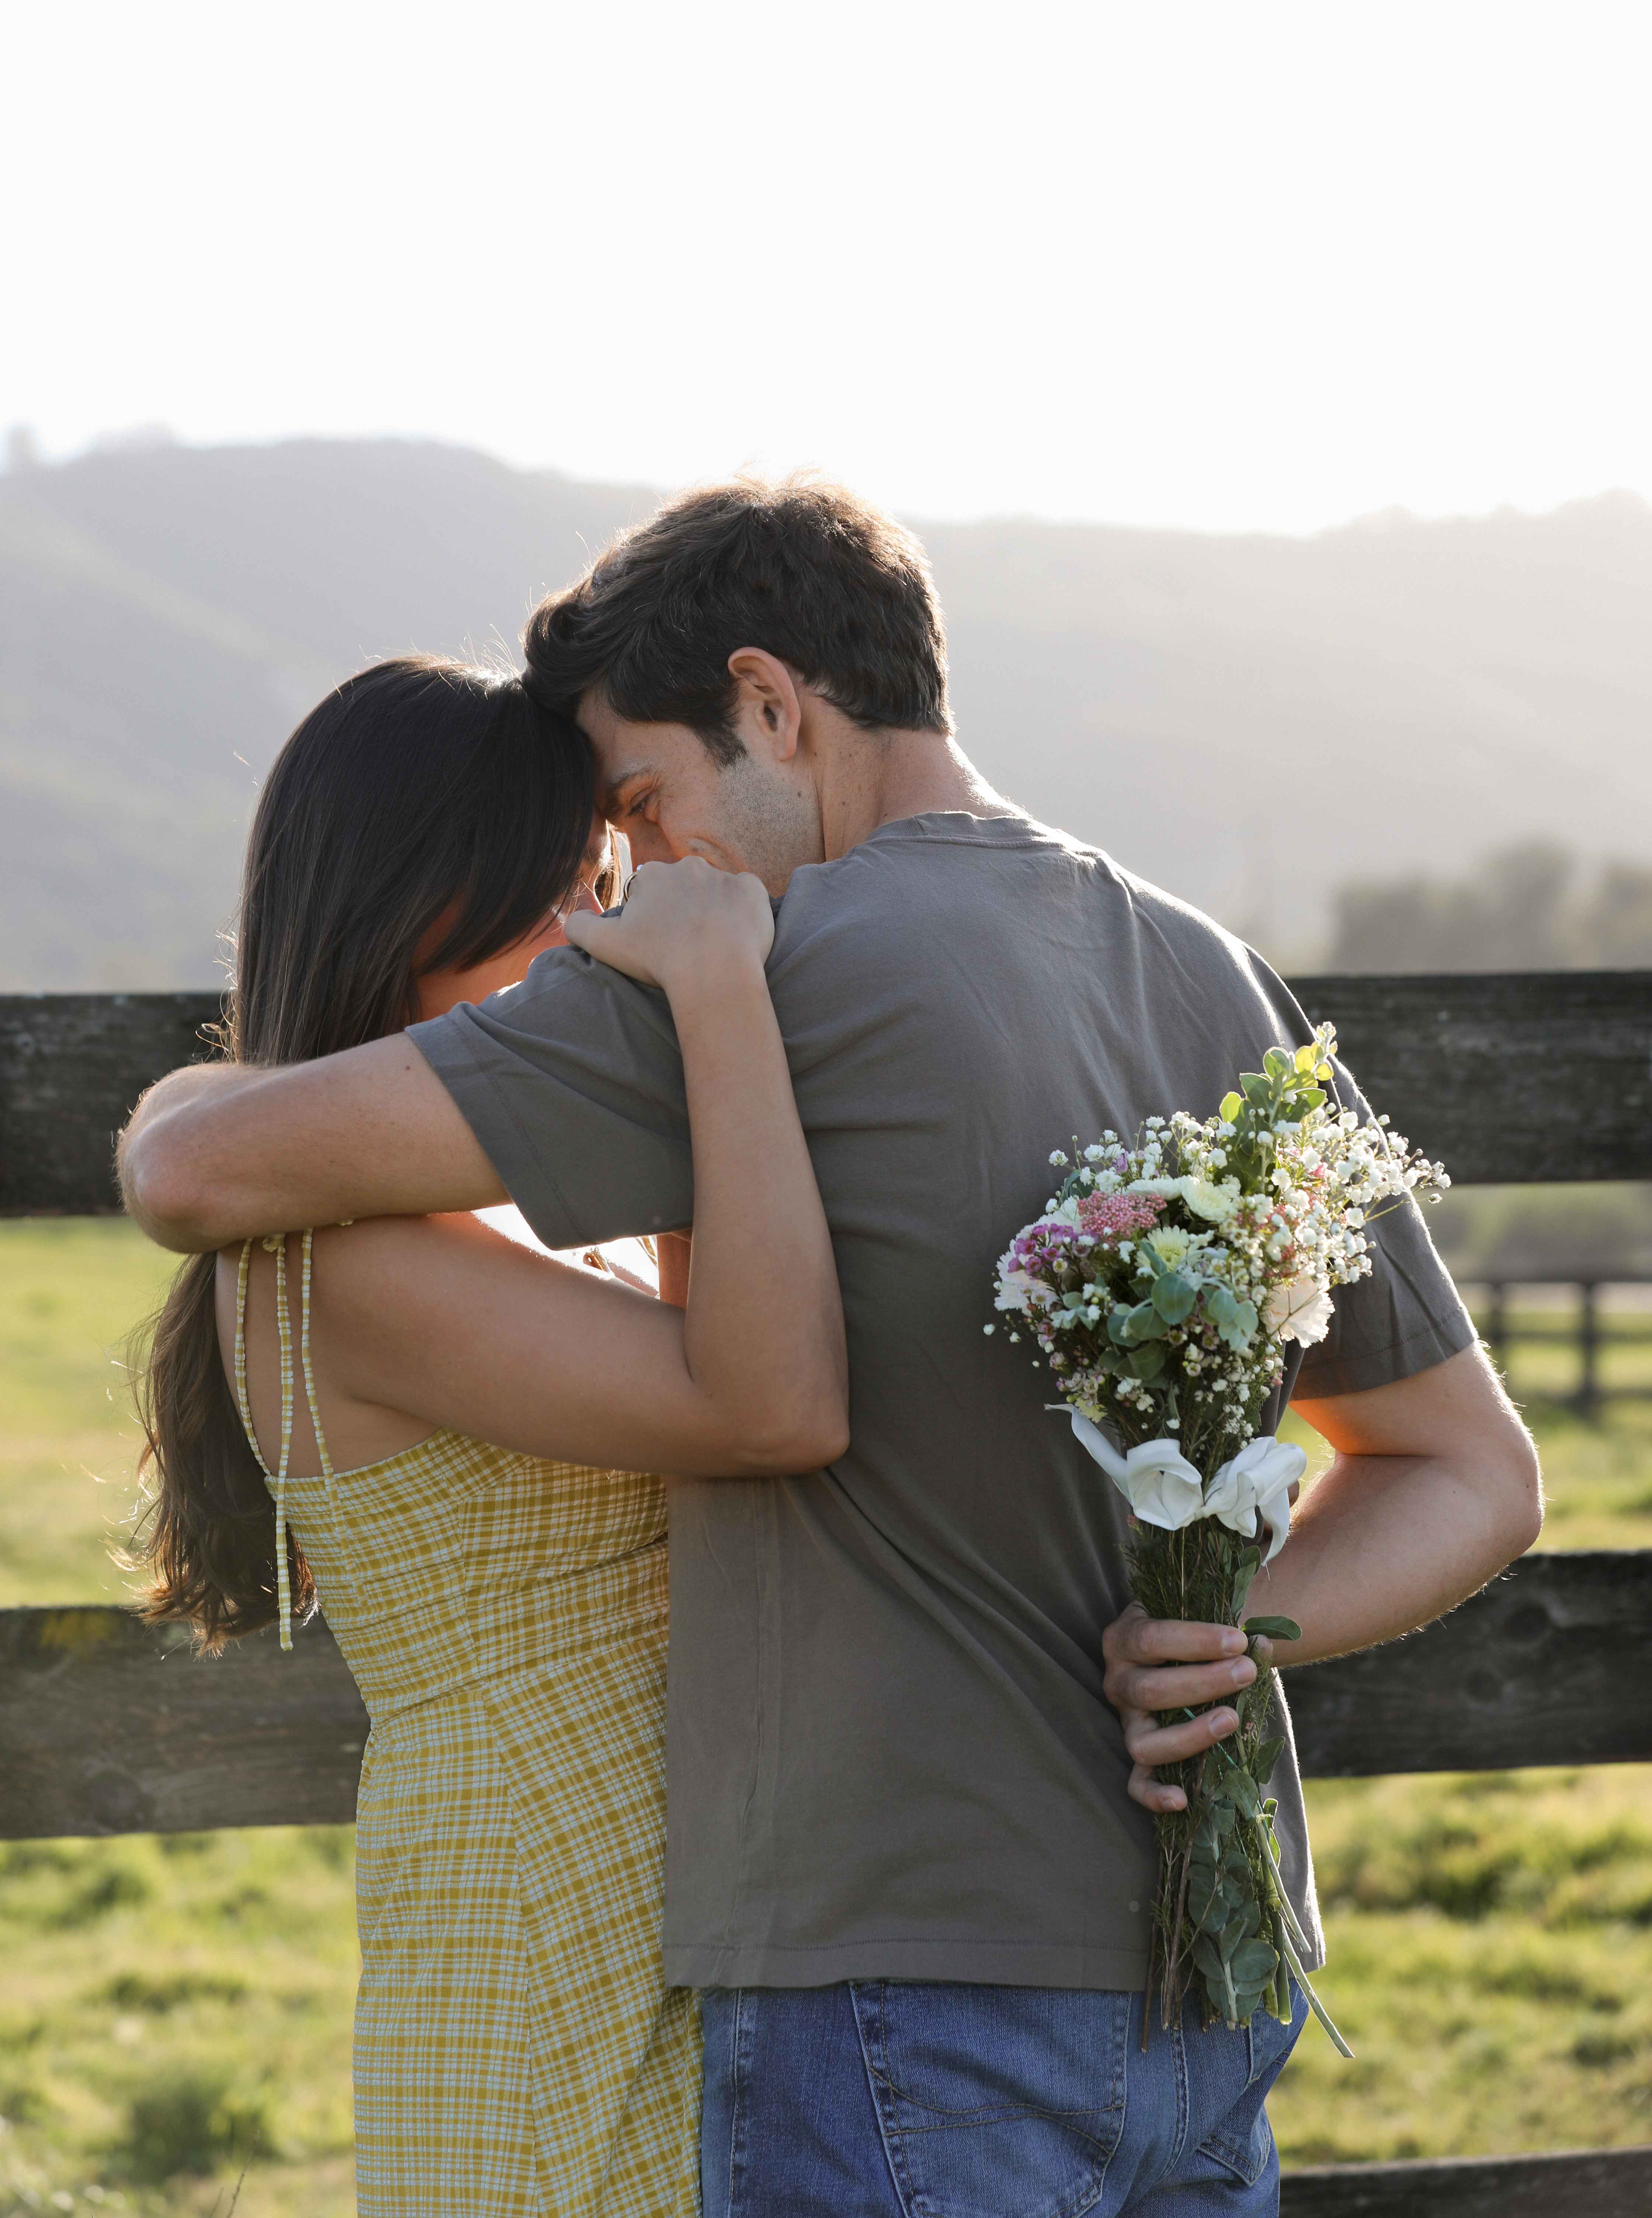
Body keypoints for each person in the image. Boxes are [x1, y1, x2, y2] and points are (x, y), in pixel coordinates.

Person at [122, 482, 1542, 2218]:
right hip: (1207, 1963)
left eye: (641, 806)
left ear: (772, 703)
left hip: (893, 1976)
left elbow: (197, 1172)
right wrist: (1240, 1637)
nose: (641, 882)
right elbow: (1472, 1468)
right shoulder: (1211, 976)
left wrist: (202, 1084)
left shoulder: (754, 966)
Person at [128, 654, 847, 2218]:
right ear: (408, 900)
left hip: (665, 1885)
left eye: (601, 887)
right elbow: (768, 1403)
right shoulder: (350, 1262)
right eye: (547, 899)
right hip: (545, 1910)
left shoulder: (476, 1200)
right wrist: (712, 993)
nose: (587, 942)